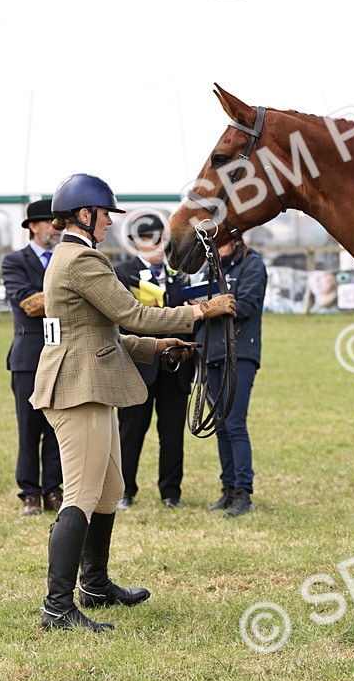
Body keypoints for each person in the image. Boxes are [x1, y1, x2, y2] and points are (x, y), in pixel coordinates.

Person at [30, 174, 235, 632]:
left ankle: (95, 585)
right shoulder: (81, 259)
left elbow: (108, 334)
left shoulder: (75, 257)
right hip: (77, 388)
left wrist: (160, 346)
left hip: (93, 381)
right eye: (105, 215)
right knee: (81, 495)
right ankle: (57, 608)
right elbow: (133, 314)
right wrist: (200, 310)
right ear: (85, 215)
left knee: (108, 491)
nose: (108, 223)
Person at [113, 216, 192, 510]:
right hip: (139, 364)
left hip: (176, 366)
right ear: (136, 243)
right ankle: (124, 490)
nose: (157, 246)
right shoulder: (123, 274)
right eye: (149, 239)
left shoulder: (180, 276)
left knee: (172, 433)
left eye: (161, 239)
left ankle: (171, 491)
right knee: (130, 432)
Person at [196, 238, 267, 518]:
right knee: (221, 425)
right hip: (210, 350)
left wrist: (210, 306)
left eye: (221, 243)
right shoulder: (209, 268)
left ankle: (243, 491)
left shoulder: (253, 265)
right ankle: (228, 487)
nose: (216, 249)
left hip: (240, 351)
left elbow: (248, 304)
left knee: (235, 422)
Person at [1, 201, 64, 516]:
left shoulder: (64, 258)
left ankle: (53, 488)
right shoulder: (14, 261)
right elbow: (28, 303)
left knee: (56, 425)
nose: (56, 228)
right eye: (50, 223)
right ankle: (30, 492)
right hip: (28, 357)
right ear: (33, 226)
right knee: (29, 427)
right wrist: (69, 294)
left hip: (61, 353)